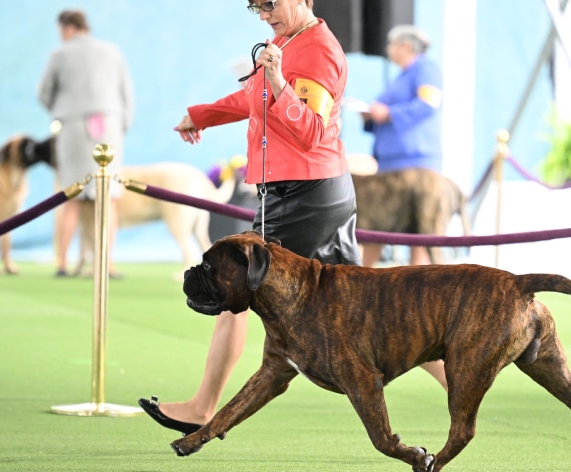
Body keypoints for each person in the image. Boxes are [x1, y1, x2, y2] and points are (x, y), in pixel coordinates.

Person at [139, 0, 445, 438]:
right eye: (257, 8)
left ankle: (203, 406)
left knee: (234, 288)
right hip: (316, 191)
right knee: (366, 308)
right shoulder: (284, 41)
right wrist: (204, 114)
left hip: (300, 196)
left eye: (271, 4)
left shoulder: (317, 50)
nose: (264, 14)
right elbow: (253, 97)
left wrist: (280, 82)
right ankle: (459, 382)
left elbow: (311, 132)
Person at [38, 9, 134, 278]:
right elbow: (127, 93)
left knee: (71, 196)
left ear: (66, 28)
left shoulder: (60, 53)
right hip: (110, 125)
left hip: (73, 127)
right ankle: (107, 264)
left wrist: (61, 110)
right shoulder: (112, 51)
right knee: (109, 197)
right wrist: (122, 123)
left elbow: (44, 93)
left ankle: (62, 262)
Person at [360, 25, 443, 268]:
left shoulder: (426, 68)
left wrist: (388, 113)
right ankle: (363, 274)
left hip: (416, 161)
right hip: (390, 163)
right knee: (378, 220)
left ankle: (416, 278)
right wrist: (372, 115)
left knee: (420, 224)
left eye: (391, 45)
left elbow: (429, 103)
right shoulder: (402, 75)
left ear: (405, 46)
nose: (388, 50)